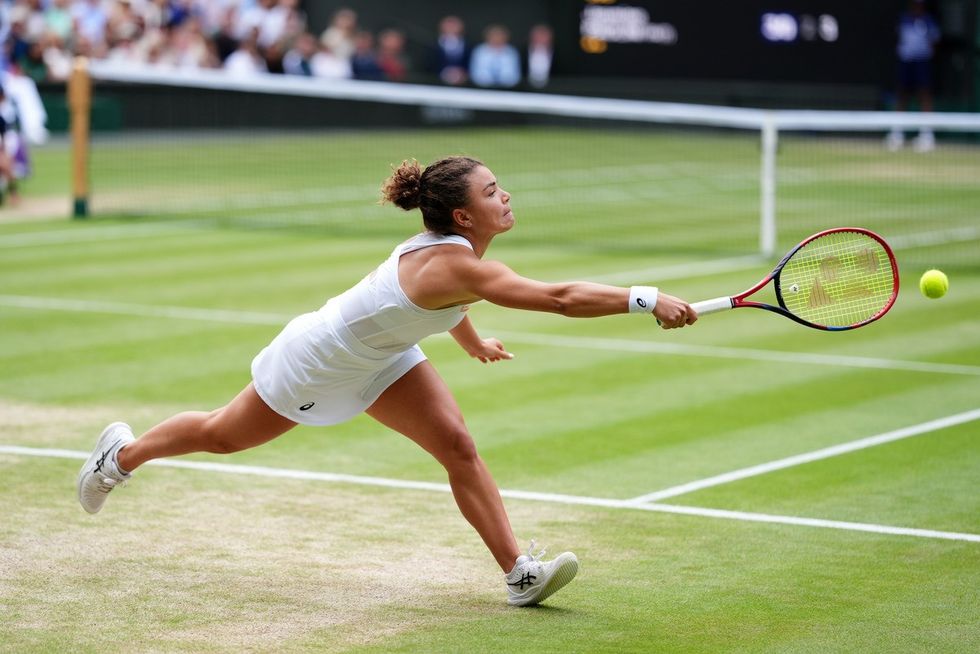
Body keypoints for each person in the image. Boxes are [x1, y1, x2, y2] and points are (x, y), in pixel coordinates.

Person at [77, 156, 698, 607]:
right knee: (222, 435)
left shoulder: (455, 255)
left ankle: (519, 572)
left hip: (385, 357)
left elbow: (449, 303)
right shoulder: (454, 261)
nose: (504, 196)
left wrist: (473, 340)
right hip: (320, 359)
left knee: (457, 445)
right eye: (492, 191)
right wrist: (646, 299)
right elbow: (558, 298)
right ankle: (119, 457)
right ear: (462, 213)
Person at [886, 0, 941, 152]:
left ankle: (927, 135)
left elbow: (934, 41)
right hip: (905, 62)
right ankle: (897, 133)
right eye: (914, 4)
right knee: (901, 95)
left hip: (922, 62)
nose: (917, 7)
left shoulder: (928, 21)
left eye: (919, 4)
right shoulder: (903, 19)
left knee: (924, 95)